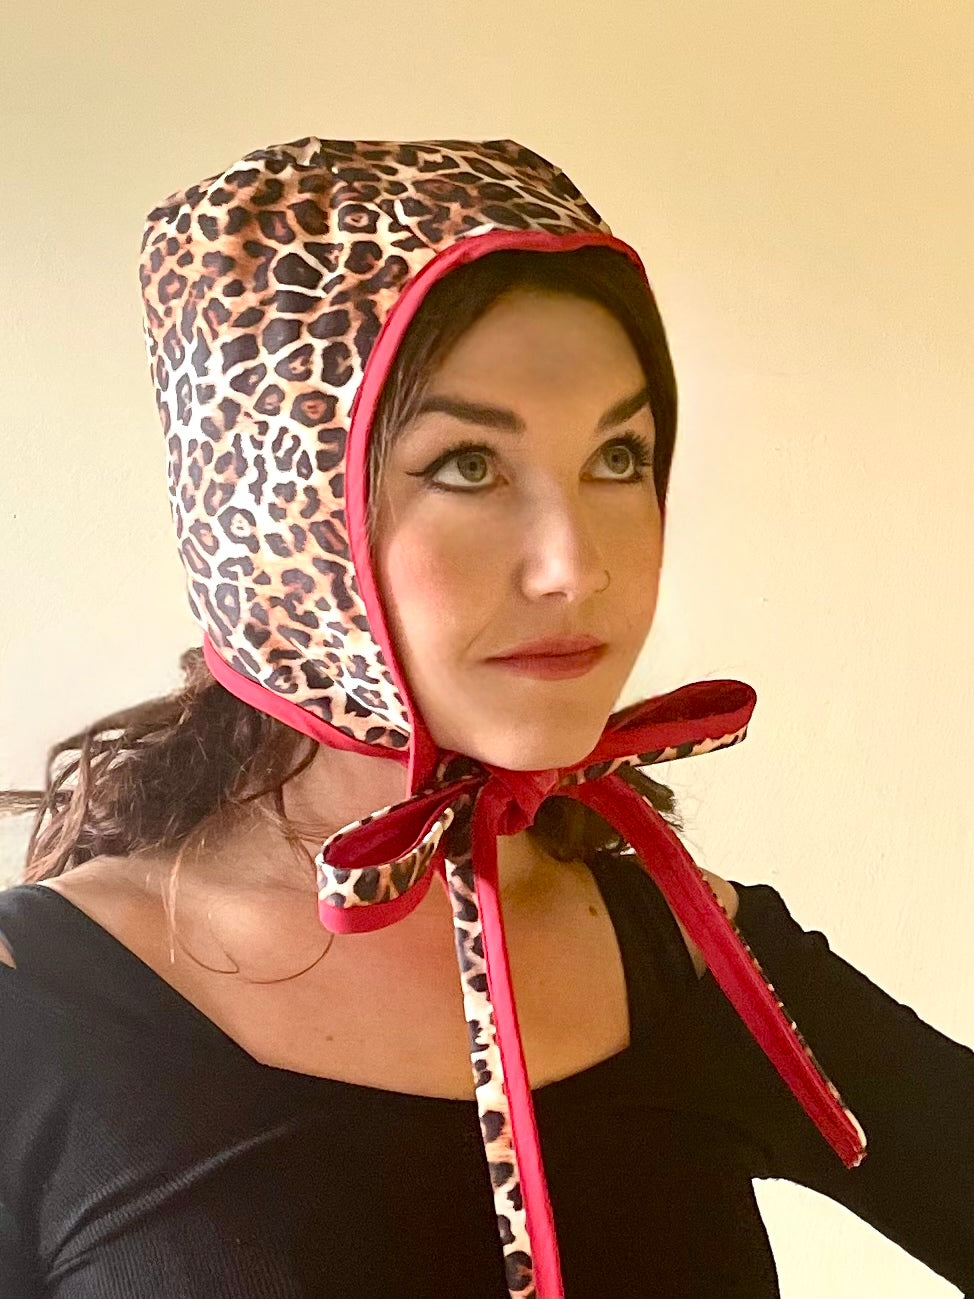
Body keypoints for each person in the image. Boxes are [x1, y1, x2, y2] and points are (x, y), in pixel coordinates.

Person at [0, 136, 971, 1299]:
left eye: (618, 455)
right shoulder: (34, 1011)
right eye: (467, 465)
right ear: (282, 514)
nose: (575, 566)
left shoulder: (692, 952)